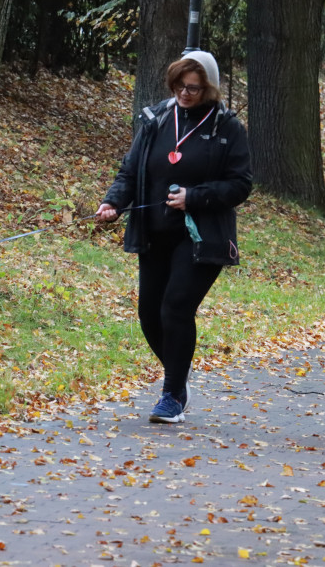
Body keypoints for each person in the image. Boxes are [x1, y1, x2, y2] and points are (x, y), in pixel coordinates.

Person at [96, 51, 252, 423]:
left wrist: (194, 197)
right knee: (149, 314)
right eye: (179, 86)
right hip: (154, 234)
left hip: (201, 238)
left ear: (209, 88)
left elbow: (241, 184)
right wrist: (112, 203)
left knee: (176, 307)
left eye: (194, 88)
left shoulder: (226, 126)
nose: (185, 93)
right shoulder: (157, 118)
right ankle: (178, 380)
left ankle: (171, 396)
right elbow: (130, 170)